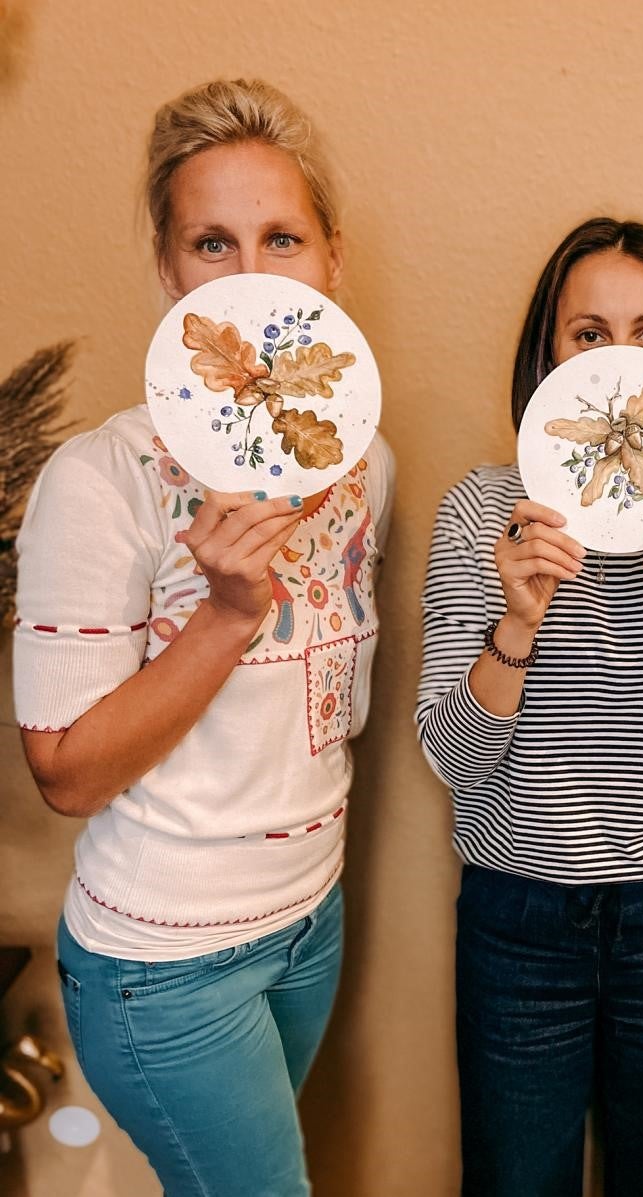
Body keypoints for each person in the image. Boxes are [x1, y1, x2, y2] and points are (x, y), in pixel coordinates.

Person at [14, 79, 394, 1196]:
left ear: (334, 260)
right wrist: (228, 617)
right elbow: (66, 773)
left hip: (307, 923)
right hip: (162, 965)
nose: (251, 276)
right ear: (170, 271)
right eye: (211, 243)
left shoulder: (365, 461)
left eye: (283, 237)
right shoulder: (101, 480)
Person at [415, 217, 643, 1197]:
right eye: (589, 334)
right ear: (547, 357)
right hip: (517, 917)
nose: (620, 359)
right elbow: (455, 762)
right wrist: (519, 620)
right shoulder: (481, 512)